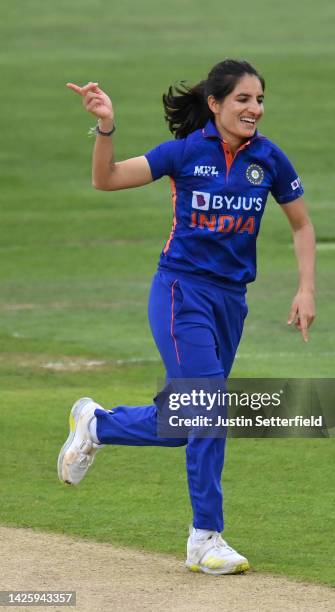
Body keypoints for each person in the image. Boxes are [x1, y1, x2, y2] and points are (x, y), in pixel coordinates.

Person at [58, 59, 316, 575]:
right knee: (210, 406)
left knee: (191, 419)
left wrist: (306, 289)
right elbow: (105, 180)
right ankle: (205, 537)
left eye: (260, 100)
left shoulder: (269, 160)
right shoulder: (184, 153)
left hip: (231, 301)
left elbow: (302, 225)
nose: (255, 109)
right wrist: (106, 126)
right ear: (216, 104)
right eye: (243, 99)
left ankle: (98, 424)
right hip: (180, 292)